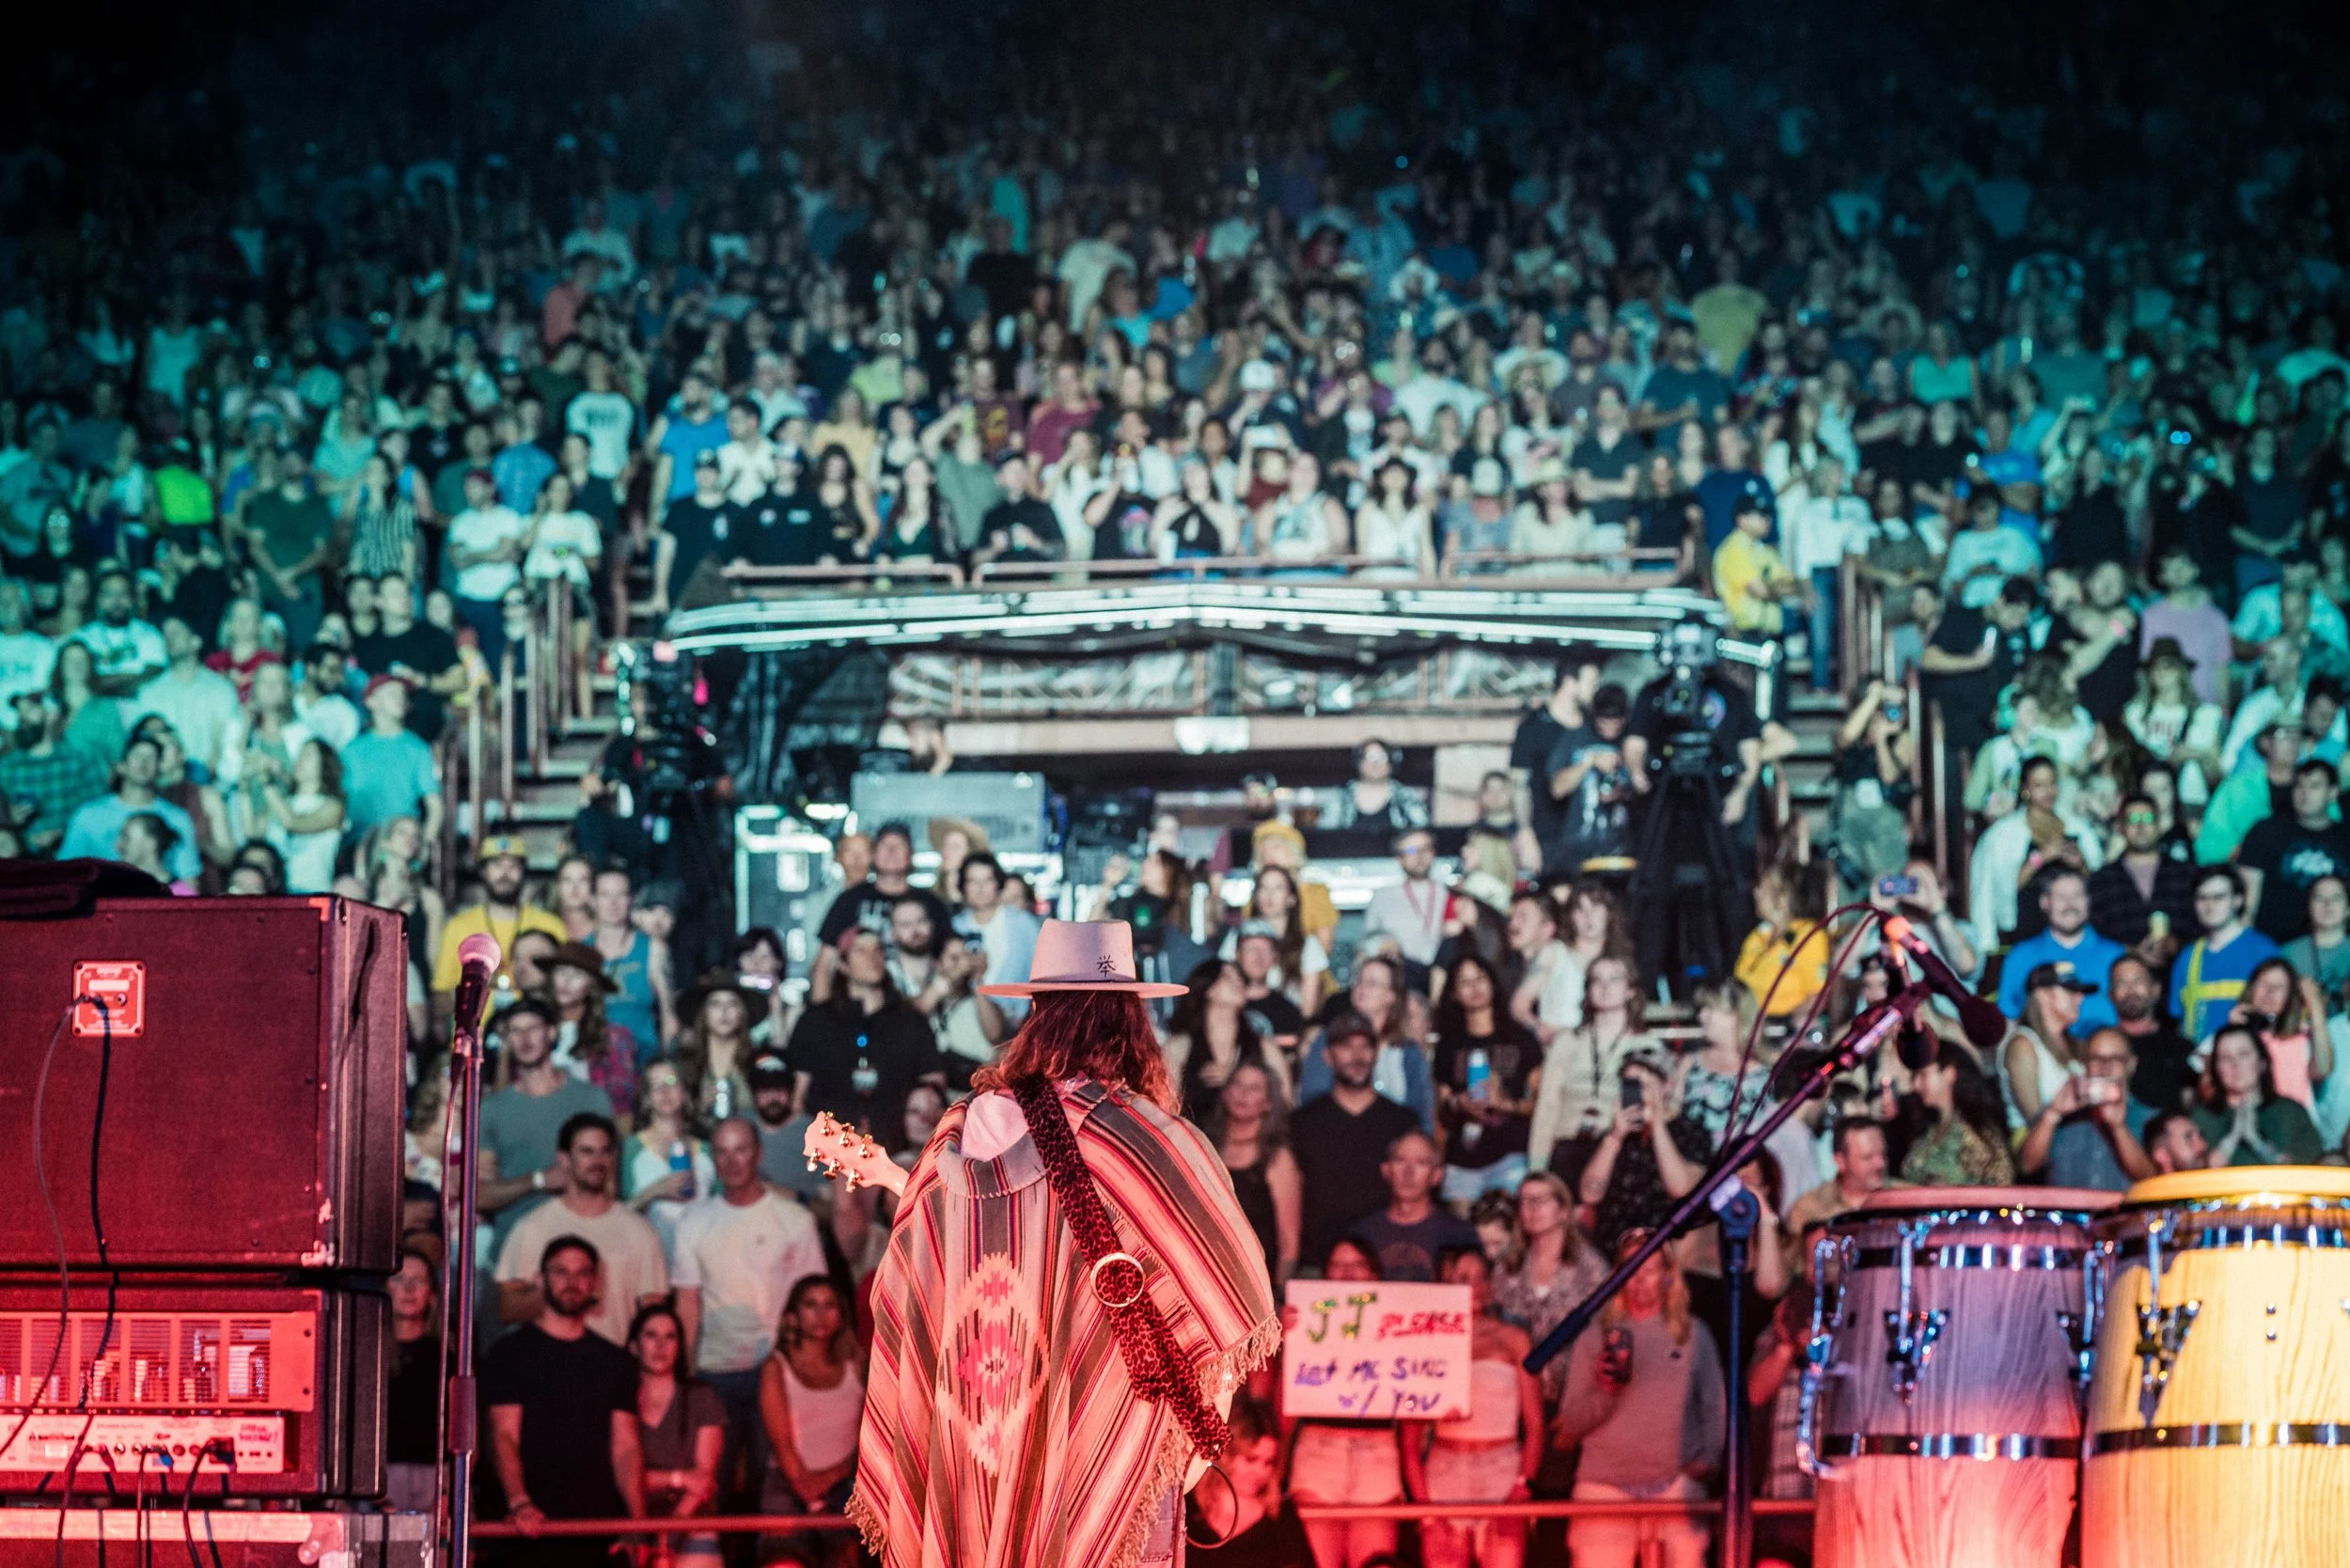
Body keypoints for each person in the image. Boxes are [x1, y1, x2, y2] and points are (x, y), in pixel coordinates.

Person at [849, 918, 1277, 1568]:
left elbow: (905, 1290)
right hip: (1113, 1457)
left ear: (1036, 1014)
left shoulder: (960, 1131)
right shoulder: (1147, 1137)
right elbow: (1230, 1292)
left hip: (976, 1456)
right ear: (1132, 1022)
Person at [672, 1118, 830, 1513]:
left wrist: (806, 1371)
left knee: (772, 1487)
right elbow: (688, 1304)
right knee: (713, 1486)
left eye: (740, 1149)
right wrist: (685, 1376)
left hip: (776, 1371)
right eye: (722, 1152)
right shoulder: (694, 1222)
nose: (732, 1161)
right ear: (713, 1159)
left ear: (758, 1154)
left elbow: (812, 1303)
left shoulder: (793, 1220)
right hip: (714, 1372)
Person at [1554, 1231, 1725, 1568]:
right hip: (1604, 1486)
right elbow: (1570, 1423)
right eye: (1630, 1269)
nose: (1638, 1279)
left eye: (1648, 1269)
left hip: (1676, 1485)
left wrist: (1708, 1459)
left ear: (1667, 1276)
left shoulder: (1693, 1334)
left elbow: (1714, 1405)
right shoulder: (1594, 1336)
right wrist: (1606, 1391)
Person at [481, 1235, 647, 1565]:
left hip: (596, 1530)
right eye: (560, 1272)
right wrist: (519, 1502)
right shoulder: (508, 1354)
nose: (572, 1282)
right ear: (540, 1279)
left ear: (595, 1282)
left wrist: (638, 1524)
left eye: (582, 1273)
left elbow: (626, 1447)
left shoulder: (616, 1361)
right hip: (528, 1532)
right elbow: (503, 1435)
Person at [1401, 1246, 1544, 1568]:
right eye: (1464, 1279)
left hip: (1502, 1469)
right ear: (1444, 1285)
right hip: (1445, 1470)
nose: (1476, 1287)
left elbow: (1535, 1425)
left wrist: (1522, 1487)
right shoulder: (1424, 1341)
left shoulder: (1514, 1338)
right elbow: (1409, 1442)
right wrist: (1426, 1514)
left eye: (1482, 1278)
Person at [494, 1112, 669, 1345]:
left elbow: (653, 1315)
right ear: (564, 1159)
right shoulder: (532, 1227)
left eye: (605, 1152)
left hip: (613, 1361)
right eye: (587, 1152)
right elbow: (507, 1308)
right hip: (550, 1362)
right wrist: (568, 1292)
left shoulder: (640, 1232)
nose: (597, 1161)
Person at [1286, 1236, 1405, 1568]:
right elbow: (1283, 1402)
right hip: (1318, 1450)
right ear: (1325, 1275)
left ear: (1375, 1275)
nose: (1348, 1273)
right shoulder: (1303, 1321)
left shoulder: (1400, 1321)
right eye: (1338, 1266)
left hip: (1378, 1452)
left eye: (1357, 1265)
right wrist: (1284, 1338)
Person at [785, 928, 947, 1153]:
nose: (873, 958)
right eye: (860, 951)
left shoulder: (910, 1021)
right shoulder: (816, 1021)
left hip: (896, 1151)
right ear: (843, 964)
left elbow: (934, 1087)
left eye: (877, 950)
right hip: (830, 1153)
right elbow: (798, 1096)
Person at [474, 1000, 618, 1241]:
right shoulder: (493, 1109)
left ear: (551, 1032)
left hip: (585, 1241)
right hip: (518, 1244)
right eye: (515, 1031)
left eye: (533, 1029)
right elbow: (479, 1195)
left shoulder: (591, 1100)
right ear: (506, 1039)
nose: (525, 1039)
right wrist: (538, 1180)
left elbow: (612, 1183)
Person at [759, 1276, 867, 1568]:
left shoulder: (857, 1364)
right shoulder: (776, 1367)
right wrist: (809, 1492)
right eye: (811, 1304)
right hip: (788, 1482)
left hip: (844, 1484)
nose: (820, 1314)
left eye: (829, 1305)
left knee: (845, 1561)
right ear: (793, 1314)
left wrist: (832, 1477)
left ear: (841, 1314)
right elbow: (782, 1444)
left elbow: (867, 1437)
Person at [1430, 952, 1541, 1204]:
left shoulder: (1521, 1039)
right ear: (1454, 993)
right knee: (1460, 1228)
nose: (1475, 987)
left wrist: (1505, 1104)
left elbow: (1542, 1104)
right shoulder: (1448, 1045)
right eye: (1465, 982)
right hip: (1462, 1160)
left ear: (1492, 982)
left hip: (1511, 1156)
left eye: (1480, 978)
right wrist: (1459, 1103)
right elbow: (1440, 1107)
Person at [629, 1302, 726, 1568]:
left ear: (679, 1347)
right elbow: (617, 1475)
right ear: (634, 1346)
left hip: (691, 1519)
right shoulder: (618, 1401)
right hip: (631, 1519)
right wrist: (679, 1478)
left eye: (670, 1337)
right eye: (651, 1335)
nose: (661, 1345)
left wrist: (666, 1540)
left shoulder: (701, 1397)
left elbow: (703, 1481)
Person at [434, 835, 567, 1027]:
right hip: (473, 1040)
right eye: (497, 865)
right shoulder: (459, 926)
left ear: (523, 871)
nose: (505, 874)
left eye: (513, 866)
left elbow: (565, 990)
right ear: (483, 871)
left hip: (533, 1035)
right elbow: (438, 1003)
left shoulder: (550, 925)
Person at [2017, 1028, 2160, 1191]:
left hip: (2124, 1207)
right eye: (2096, 1058)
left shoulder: (2150, 1119)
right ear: (2085, 1064)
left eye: (2115, 1059)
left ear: (2131, 1064)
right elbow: (2026, 1166)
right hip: (2067, 1207)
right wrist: (2053, 1113)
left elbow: (2153, 1180)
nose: (2105, 1067)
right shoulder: (2062, 1113)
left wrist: (2119, 1128)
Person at [1182, 1398, 1311, 1567]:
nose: (1261, 1472)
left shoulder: (1281, 1517)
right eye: (1251, 1459)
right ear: (1226, 1454)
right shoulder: (1188, 1509)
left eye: (1268, 1462)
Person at [1205, 1061, 1300, 1286]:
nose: (1243, 1094)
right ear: (1226, 1093)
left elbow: (1289, 1242)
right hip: (1207, 1278)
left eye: (1254, 1088)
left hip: (1256, 1283)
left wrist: (1279, 1292)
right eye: (1238, 1084)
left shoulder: (1277, 1158)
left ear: (1268, 1103)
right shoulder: (1205, 1147)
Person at [1163, 958, 1292, 1122]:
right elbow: (1164, 1109)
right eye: (1228, 977)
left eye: (1240, 978)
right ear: (1208, 989)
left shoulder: (1265, 1047)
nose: (1239, 982)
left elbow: (1287, 1104)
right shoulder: (1178, 1047)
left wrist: (1239, 1079)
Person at [2000, 866, 2126, 1031]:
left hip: (2106, 1045)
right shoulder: (2021, 956)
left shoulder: (2115, 954)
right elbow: (2009, 1020)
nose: (2070, 904)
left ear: (2088, 900)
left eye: (2077, 895)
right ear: (2045, 902)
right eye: (2061, 896)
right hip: (2045, 1046)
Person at [1345, 1129, 1480, 1283]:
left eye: (1421, 1163)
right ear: (1386, 1170)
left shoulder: (1460, 1236)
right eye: (1400, 1161)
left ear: (1436, 1175)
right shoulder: (1361, 1234)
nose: (1408, 1172)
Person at [2239, 759, 2350, 942]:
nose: (2304, 793)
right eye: (2299, 786)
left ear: (2332, 793)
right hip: (2273, 943)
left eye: (2314, 786)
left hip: (2332, 944)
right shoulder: (2266, 832)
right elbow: (2248, 897)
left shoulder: (2345, 839)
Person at [2172, 866, 2282, 1041]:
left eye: (2219, 897)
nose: (2209, 906)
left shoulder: (2264, 951)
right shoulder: (2187, 957)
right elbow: (2180, 1022)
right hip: (2197, 1056)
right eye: (2202, 898)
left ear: (2237, 900)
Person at [2190, 1025, 2326, 1166]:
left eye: (2243, 1054)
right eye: (2225, 1057)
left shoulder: (2290, 1112)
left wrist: (2257, 1142)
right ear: (2216, 1068)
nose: (2235, 1064)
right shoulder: (2202, 1118)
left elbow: (2310, 1168)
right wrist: (2232, 1139)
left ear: (2262, 1063)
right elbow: (2195, 1170)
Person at [619, 1058, 715, 1248]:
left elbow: (722, 1211)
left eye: (671, 1082)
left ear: (684, 1091)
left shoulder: (707, 1150)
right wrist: (655, 1191)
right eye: (655, 1086)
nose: (664, 1091)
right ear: (647, 1097)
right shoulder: (630, 1149)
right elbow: (618, 1215)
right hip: (649, 1255)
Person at [1782, 1119, 1897, 1277]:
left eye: (1883, 1154)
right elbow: (1792, 1272)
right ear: (1840, 1161)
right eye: (1867, 1157)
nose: (1880, 1164)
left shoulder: (1907, 1198)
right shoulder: (1810, 1208)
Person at [2090, 793, 2199, 955]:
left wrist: (2177, 944)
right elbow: (2096, 934)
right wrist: (2131, 951)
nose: (2141, 825)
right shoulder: (2101, 881)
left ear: (2159, 825)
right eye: (2133, 819)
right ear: (2121, 827)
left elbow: (2200, 924)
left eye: (2148, 818)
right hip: (2122, 966)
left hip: (2181, 965)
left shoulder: (2186, 874)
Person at [384, 1236, 445, 1514]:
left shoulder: (447, 1356)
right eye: (399, 1279)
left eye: (418, 1280)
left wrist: (447, 1492)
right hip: (381, 1480)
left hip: (437, 1478)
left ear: (432, 1293)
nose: (408, 1289)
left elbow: (465, 1431)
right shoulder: (367, 1352)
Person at [1900, 1042, 2015, 1185]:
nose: (1915, 1084)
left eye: (1923, 1074)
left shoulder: (1978, 1133)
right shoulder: (1928, 1129)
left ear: (1949, 1073)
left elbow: (2000, 1183)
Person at [1360, 826, 1448, 970]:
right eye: (1411, 850)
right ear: (1399, 858)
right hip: (1400, 974)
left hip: (1444, 973)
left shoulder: (1449, 893)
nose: (1420, 856)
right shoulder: (1383, 897)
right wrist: (1381, 944)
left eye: (1425, 848)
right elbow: (1366, 942)